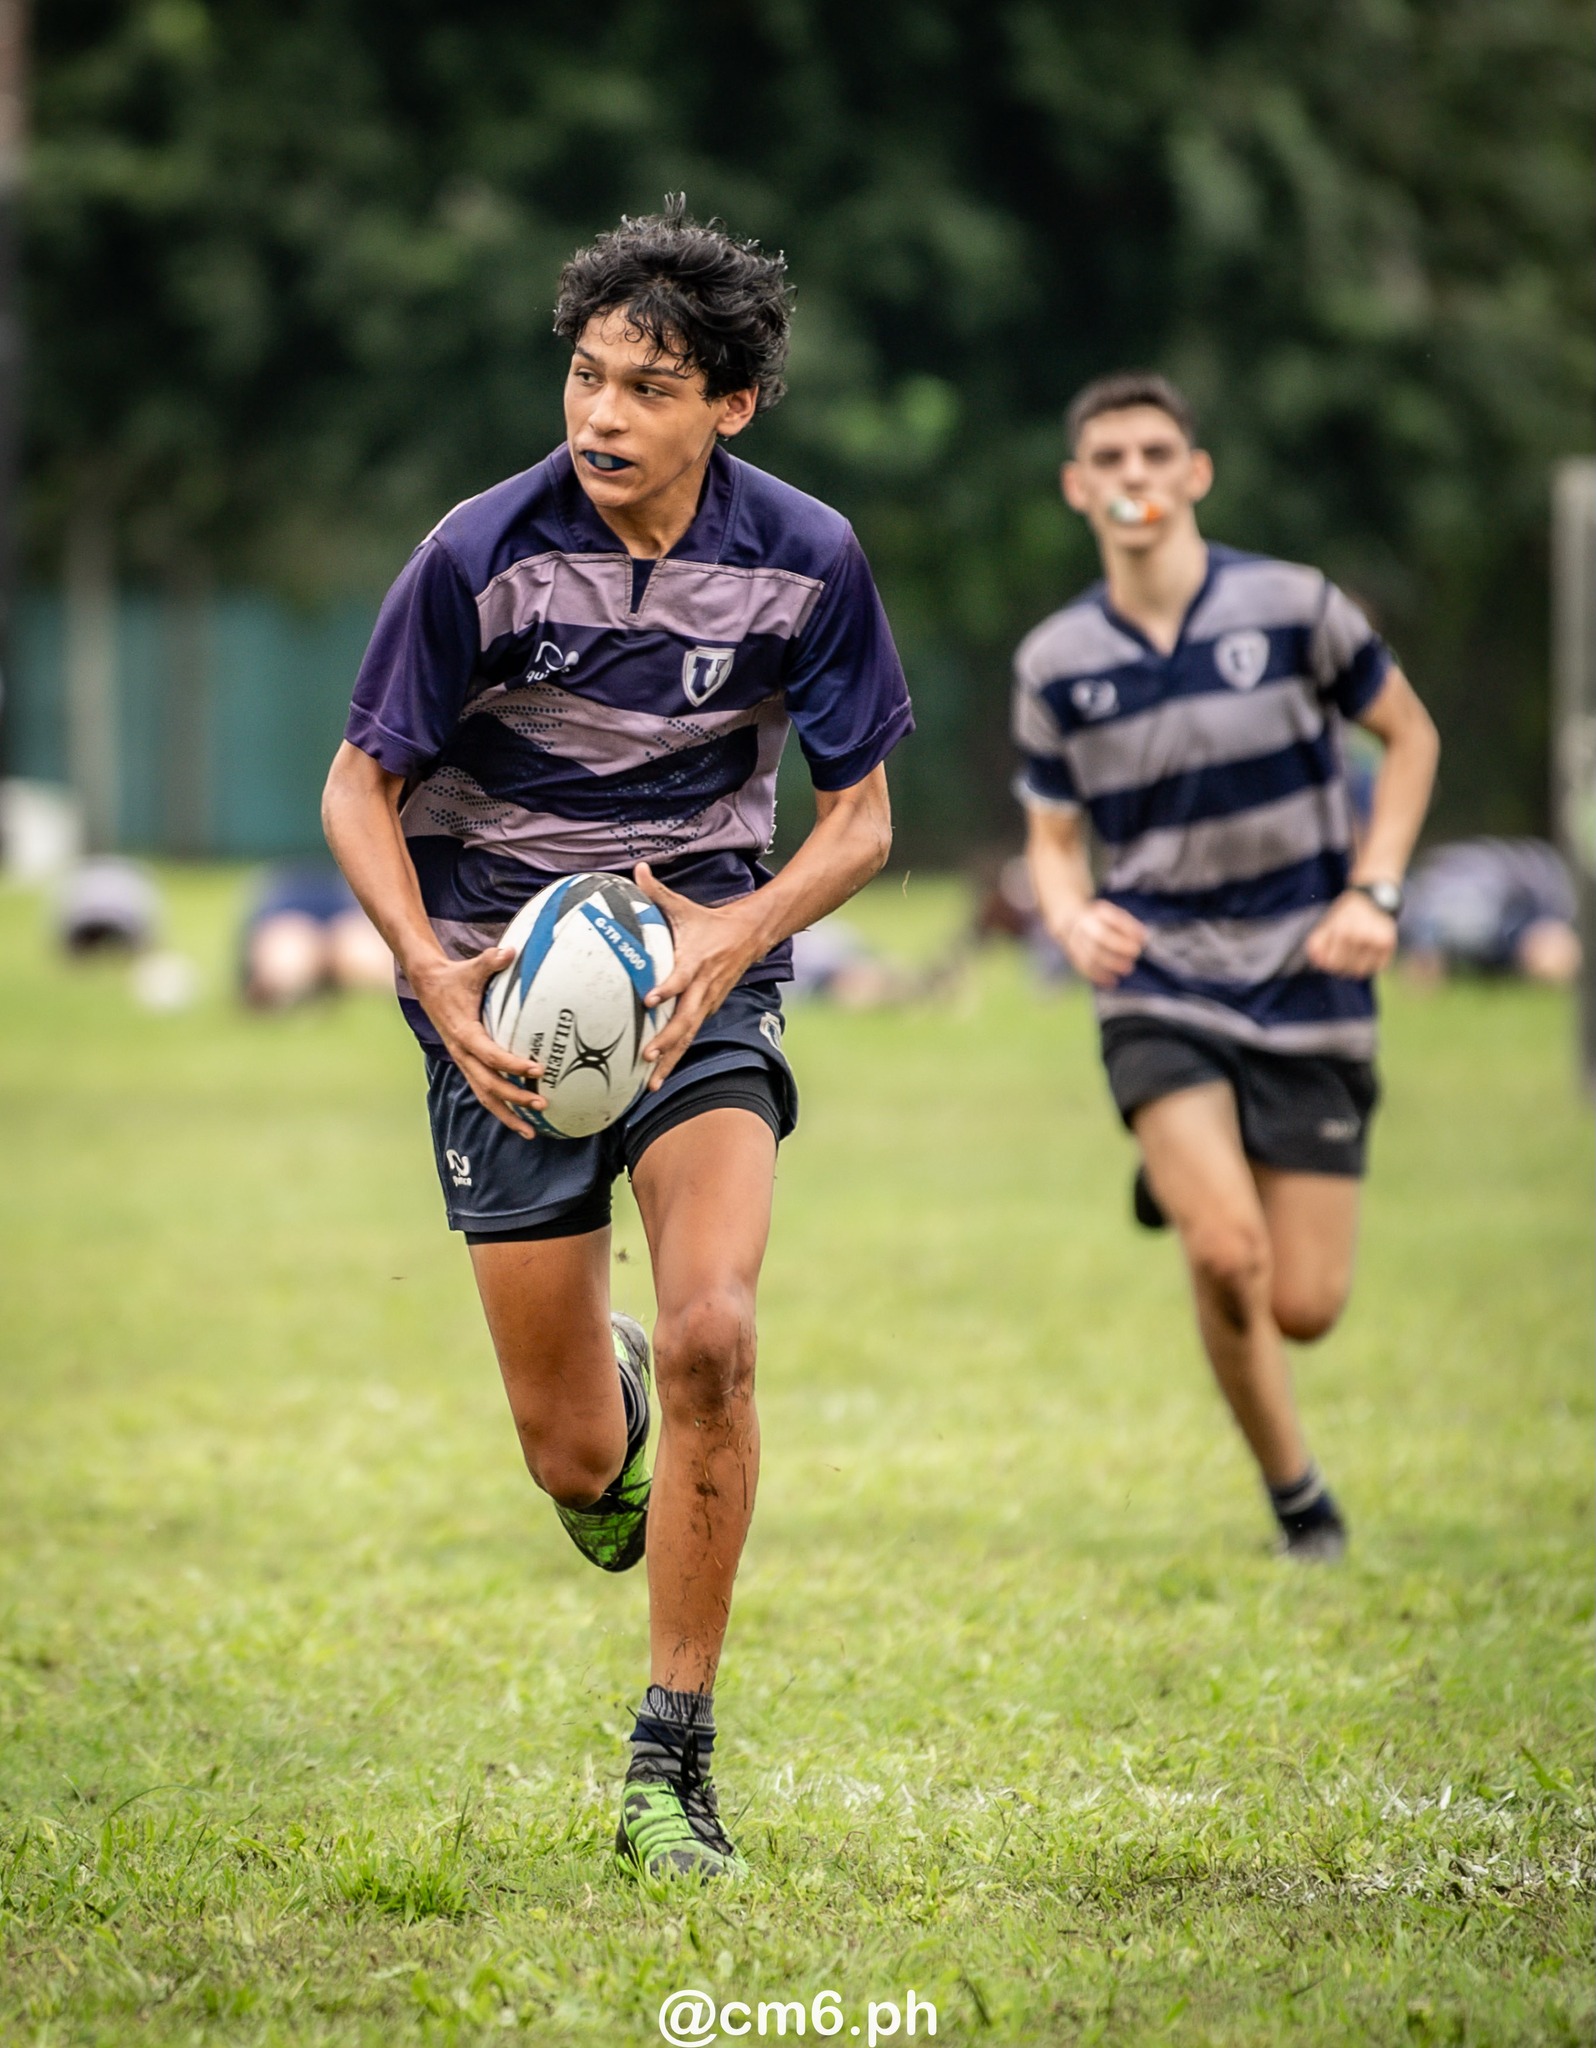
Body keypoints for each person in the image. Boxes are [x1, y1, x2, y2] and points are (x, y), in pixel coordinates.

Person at [321, 200, 912, 1877]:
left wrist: (732, 929)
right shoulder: (477, 553)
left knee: (722, 1323)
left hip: (697, 978)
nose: (599, 414)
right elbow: (354, 788)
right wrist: (435, 977)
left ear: (727, 405)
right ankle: (617, 1410)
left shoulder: (809, 557)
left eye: (647, 385)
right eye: (586, 373)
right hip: (496, 995)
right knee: (579, 1457)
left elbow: (862, 822)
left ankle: (671, 1762)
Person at [1014, 371, 1439, 1561]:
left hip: (1310, 971)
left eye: (1156, 453)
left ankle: (1203, 1168)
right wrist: (1069, 914)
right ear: (1077, 486)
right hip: (1159, 977)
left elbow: (1412, 735)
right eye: (1110, 457)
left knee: (1303, 1303)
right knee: (1225, 1253)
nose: (1134, 475)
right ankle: (1299, 1498)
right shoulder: (1056, 660)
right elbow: (1051, 837)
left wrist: (1378, 888)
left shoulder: (1296, 606)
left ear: (1194, 473)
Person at [1397, 838, 1580, 985]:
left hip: (1419, 898)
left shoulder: (1504, 950)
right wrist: (1426, 948)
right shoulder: (1548, 888)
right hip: (1427, 884)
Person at [241, 860, 393, 1006]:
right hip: (283, 903)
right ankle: (285, 990)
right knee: (291, 960)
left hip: (347, 896)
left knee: (365, 956)